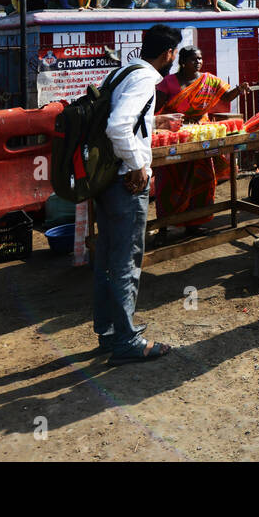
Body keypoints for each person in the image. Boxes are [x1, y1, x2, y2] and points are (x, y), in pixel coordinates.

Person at [94, 23, 179, 364]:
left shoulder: (122, 72)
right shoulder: (145, 79)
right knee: (126, 259)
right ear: (168, 54)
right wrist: (137, 166)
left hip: (106, 180)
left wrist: (157, 123)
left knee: (108, 258)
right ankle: (126, 342)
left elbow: (122, 121)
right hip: (124, 183)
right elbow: (117, 126)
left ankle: (110, 331)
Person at [153, 46, 249, 238]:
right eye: (193, 59)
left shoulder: (209, 80)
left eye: (200, 59)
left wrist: (239, 90)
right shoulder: (168, 83)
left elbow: (226, 96)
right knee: (169, 181)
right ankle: (164, 227)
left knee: (203, 178)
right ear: (182, 62)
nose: (198, 62)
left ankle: (195, 223)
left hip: (201, 135)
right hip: (175, 136)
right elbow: (156, 109)